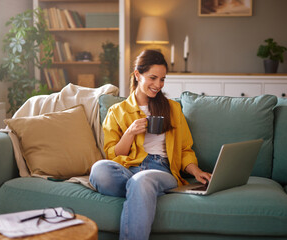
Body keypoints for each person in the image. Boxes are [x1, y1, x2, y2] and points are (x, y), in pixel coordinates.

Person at [89, 50, 212, 240]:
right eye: (153, 78)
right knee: (99, 170)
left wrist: (196, 172)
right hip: (128, 169)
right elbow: (113, 155)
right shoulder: (117, 111)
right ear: (138, 75)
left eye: (162, 79)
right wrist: (130, 133)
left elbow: (185, 149)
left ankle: (143, 188)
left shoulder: (172, 108)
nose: (158, 85)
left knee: (143, 180)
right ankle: (142, 192)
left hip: (161, 170)